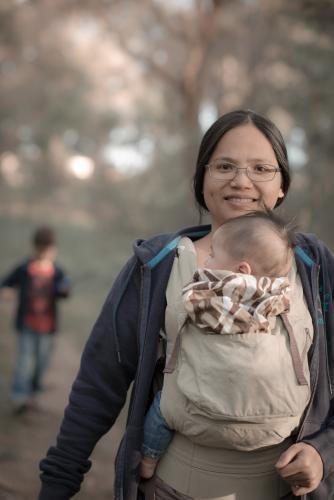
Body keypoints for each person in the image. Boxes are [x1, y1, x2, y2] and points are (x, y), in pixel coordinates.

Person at [38, 109, 334, 500]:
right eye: (224, 165)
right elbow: (99, 382)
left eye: (261, 168)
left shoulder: (314, 267)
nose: (241, 180)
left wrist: (323, 451)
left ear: (281, 185)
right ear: (203, 180)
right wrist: (59, 482)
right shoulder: (158, 266)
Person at [140, 210, 298, 479]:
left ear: (241, 269)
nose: (207, 260)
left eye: (213, 254)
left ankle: (148, 460)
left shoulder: (211, 291)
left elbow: (191, 304)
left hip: (200, 405)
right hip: (273, 420)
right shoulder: (280, 293)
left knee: (161, 409)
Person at [0, 226, 70, 412]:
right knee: (24, 361)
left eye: (48, 251)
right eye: (41, 250)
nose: (44, 254)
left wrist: (63, 290)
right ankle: (19, 396)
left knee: (41, 363)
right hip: (27, 325)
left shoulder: (57, 273)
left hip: (47, 327)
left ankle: (33, 395)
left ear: (54, 250)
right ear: (34, 247)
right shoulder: (24, 268)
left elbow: (65, 290)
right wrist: (6, 290)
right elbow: (5, 282)